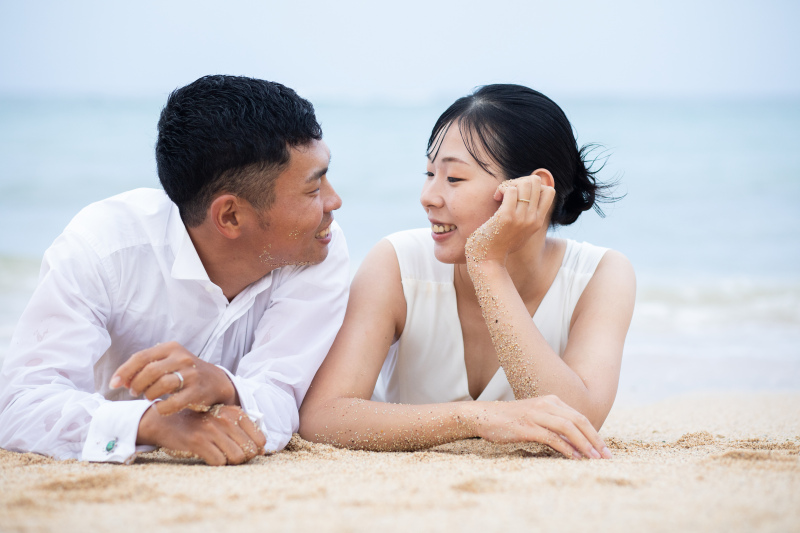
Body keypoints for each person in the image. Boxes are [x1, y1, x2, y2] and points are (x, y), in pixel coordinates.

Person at [0, 75, 349, 466]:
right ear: (230, 216)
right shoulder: (104, 249)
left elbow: (282, 400)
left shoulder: (318, 248)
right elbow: (19, 403)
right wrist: (151, 423)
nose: (334, 201)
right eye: (313, 189)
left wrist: (222, 385)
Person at [299, 84, 635, 460]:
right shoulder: (397, 262)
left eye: (454, 179)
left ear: (531, 189)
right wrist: (474, 418)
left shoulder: (601, 275)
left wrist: (488, 264)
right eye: (429, 173)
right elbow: (322, 416)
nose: (428, 197)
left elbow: (577, 421)